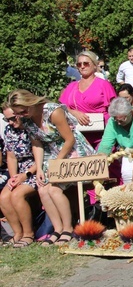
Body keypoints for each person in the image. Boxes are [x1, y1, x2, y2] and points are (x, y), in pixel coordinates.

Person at [8, 90, 95, 246]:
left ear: (30, 102)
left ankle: (68, 228)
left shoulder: (53, 112)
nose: (22, 115)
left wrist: (56, 164)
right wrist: (40, 168)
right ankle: (57, 228)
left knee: (54, 189)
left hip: (71, 151)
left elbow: (69, 139)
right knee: (42, 189)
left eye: (23, 110)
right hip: (51, 153)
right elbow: (37, 144)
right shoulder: (27, 120)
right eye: (18, 113)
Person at [59, 51, 117, 150]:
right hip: (78, 136)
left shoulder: (103, 84)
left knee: (104, 163)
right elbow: (60, 108)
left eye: (86, 63)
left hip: (102, 135)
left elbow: (115, 109)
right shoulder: (71, 86)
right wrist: (74, 113)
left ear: (94, 66)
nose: (82, 66)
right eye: (79, 64)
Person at [0, 104, 38, 248]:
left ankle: (29, 233)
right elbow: (11, 156)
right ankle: (17, 233)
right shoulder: (9, 130)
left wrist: (25, 175)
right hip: (20, 170)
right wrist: (14, 177)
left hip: (36, 169)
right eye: (6, 119)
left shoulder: (32, 127)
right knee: (4, 197)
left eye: (12, 118)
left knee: (16, 195)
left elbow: (41, 156)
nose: (10, 122)